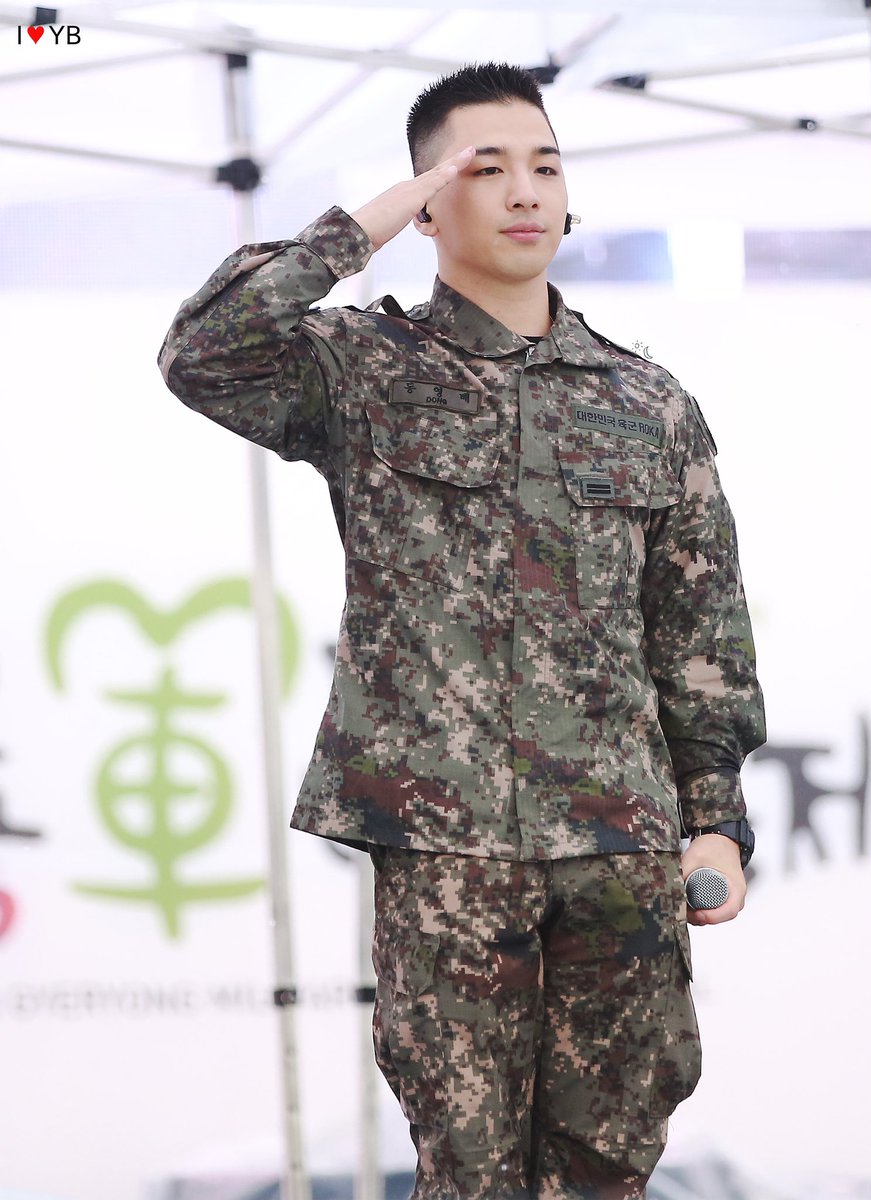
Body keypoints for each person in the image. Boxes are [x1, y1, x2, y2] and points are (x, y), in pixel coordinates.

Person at [159, 62, 765, 1200]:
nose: (525, 191)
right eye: (484, 170)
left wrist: (714, 822)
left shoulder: (647, 402)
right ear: (431, 201)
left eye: (546, 166)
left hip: (620, 848)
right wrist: (361, 228)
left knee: (609, 1165)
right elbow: (204, 352)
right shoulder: (362, 370)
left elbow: (698, 633)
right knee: (468, 1172)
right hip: (446, 846)